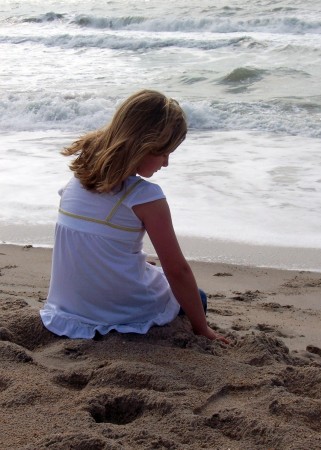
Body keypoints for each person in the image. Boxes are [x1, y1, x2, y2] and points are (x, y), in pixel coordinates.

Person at [40, 89, 228, 344]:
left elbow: (92, 242)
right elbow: (177, 270)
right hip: (114, 311)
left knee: (148, 267)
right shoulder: (145, 197)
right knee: (198, 297)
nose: (166, 163)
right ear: (144, 146)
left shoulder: (76, 180)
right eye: (164, 153)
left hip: (66, 311)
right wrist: (203, 329)